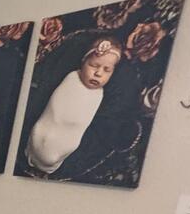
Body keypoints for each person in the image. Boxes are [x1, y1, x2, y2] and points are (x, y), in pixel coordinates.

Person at [24, 34, 123, 174]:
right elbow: (52, 109)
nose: (98, 73)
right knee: (41, 132)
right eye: (94, 65)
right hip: (44, 129)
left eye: (107, 70)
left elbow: (81, 124)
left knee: (58, 149)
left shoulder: (98, 95)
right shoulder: (72, 78)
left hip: (64, 144)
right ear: (83, 62)